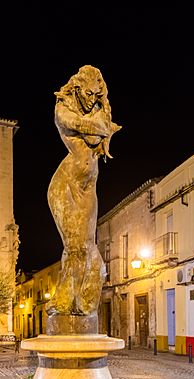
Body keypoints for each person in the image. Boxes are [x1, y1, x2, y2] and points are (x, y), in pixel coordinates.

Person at [46, 65, 121, 316]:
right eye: (88, 94)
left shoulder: (99, 110)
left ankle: (83, 301)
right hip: (64, 185)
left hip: (88, 187)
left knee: (89, 247)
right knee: (75, 246)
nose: (92, 100)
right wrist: (98, 125)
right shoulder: (62, 108)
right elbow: (90, 131)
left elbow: (99, 129)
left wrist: (100, 122)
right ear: (77, 89)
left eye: (96, 95)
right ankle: (64, 301)